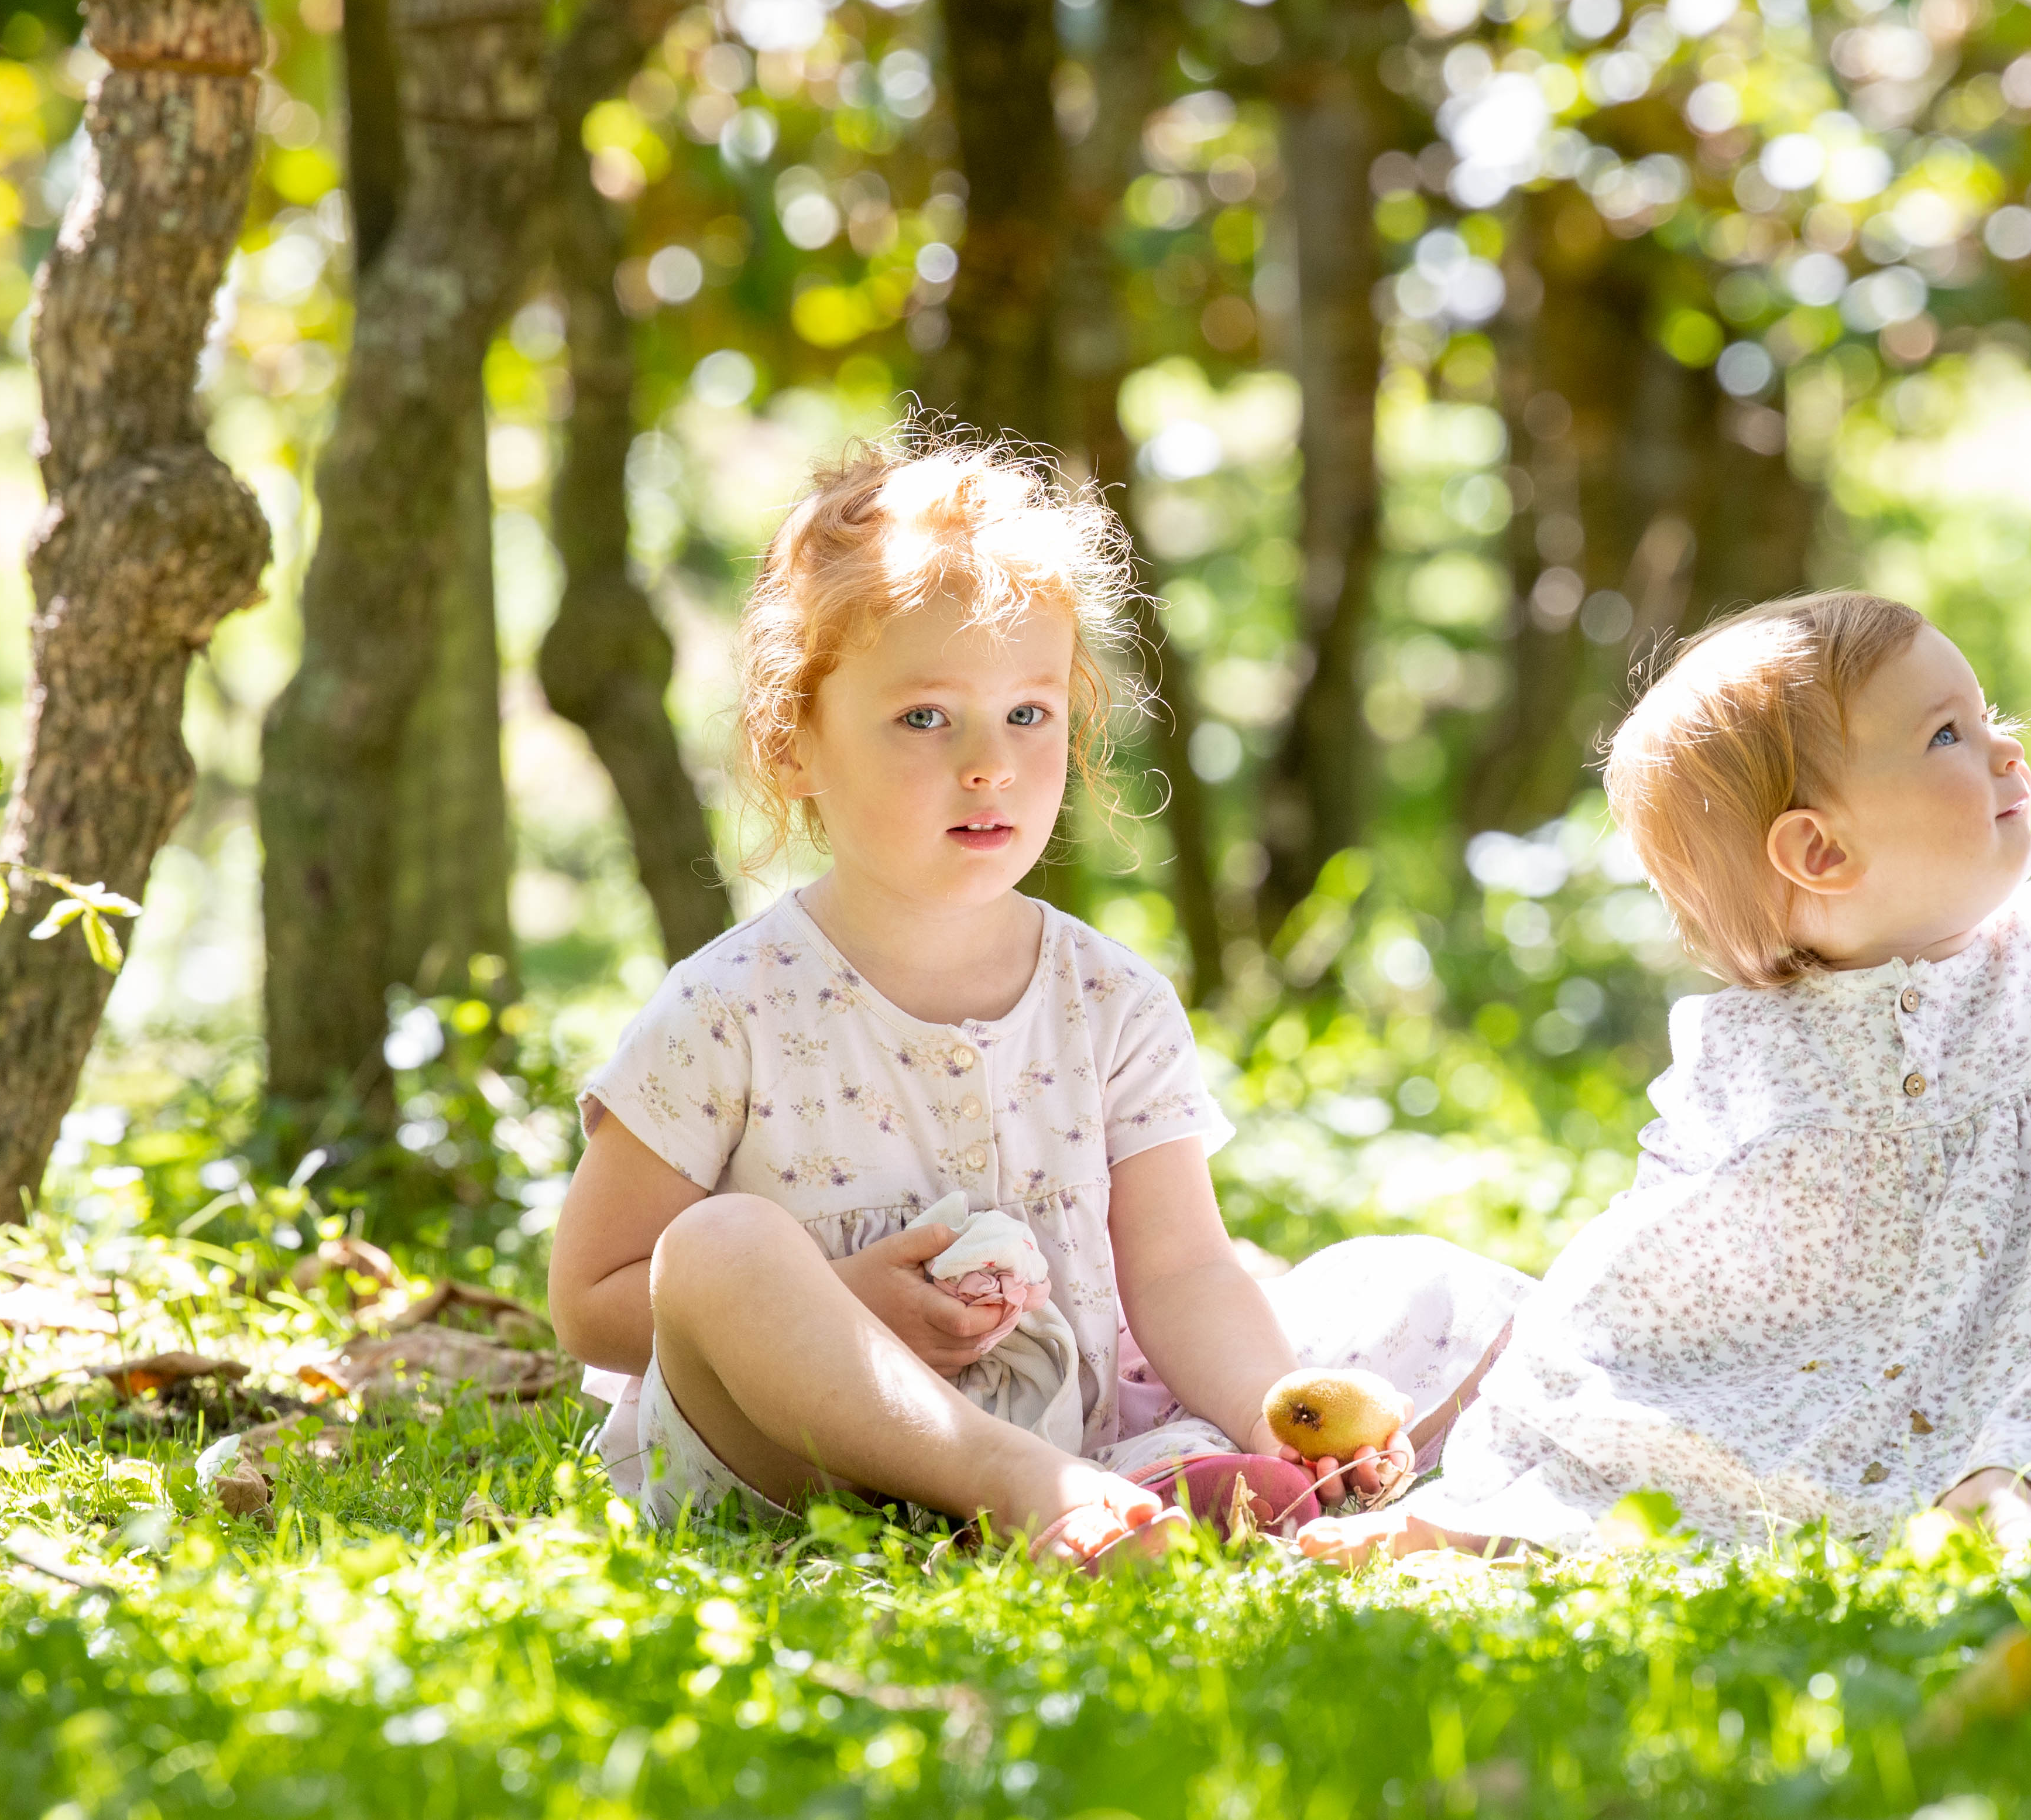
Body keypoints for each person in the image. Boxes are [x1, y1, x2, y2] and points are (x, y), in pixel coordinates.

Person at [1304, 517, 2031, 1562]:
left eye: (1990, 714)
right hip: (1865, 1376)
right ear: (1821, 853)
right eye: (1950, 732)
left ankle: (2019, 1487)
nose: (2006, 748)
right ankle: (1489, 1519)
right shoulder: (1754, 1053)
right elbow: (1655, 1259)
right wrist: (1542, 1391)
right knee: (1626, 1392)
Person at [548, 434, 1528, 1566]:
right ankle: (1016, 1485)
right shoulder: (727, 1009)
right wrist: (844, 1298)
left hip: (1078, 1435)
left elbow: (1181, 1271)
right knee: (718, 1246)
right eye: (926, 717)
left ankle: (1177, 1482)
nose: (988, 764)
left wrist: (1275, 1408)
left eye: (1029, 714)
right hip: (792, 1461)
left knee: (1403, 1284)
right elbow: (595, 1302)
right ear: (797, 742)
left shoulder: (1113, 1001)